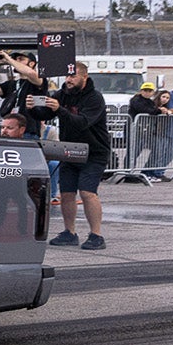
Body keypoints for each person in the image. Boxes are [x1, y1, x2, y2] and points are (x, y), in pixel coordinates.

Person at [44, 60, 109, 250]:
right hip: (70, 150)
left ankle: (96, 235)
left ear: (84, 77)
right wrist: (35, 106)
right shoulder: (63, 94)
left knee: (88, 192)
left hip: (93, 151)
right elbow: (45, 114)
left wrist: (60, 110)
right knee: (66, 193)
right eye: (67, 76)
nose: (68, 80)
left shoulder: (94, 98)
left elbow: (81, 122)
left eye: (73, 76)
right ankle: (69, 232)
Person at [126, 82, 173, 182]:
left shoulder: (150, 102)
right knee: (133, 153)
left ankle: (147, 172)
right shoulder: (136, 100)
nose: (147, 92)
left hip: (147, 130)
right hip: (135, 129)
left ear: (153, 92)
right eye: (145, 90)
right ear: (141, 91)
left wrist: (160, 111)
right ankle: (128, 174)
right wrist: (159, 111)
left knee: (155, 151)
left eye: (149, 91)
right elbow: (145, 110)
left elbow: (153, 110)